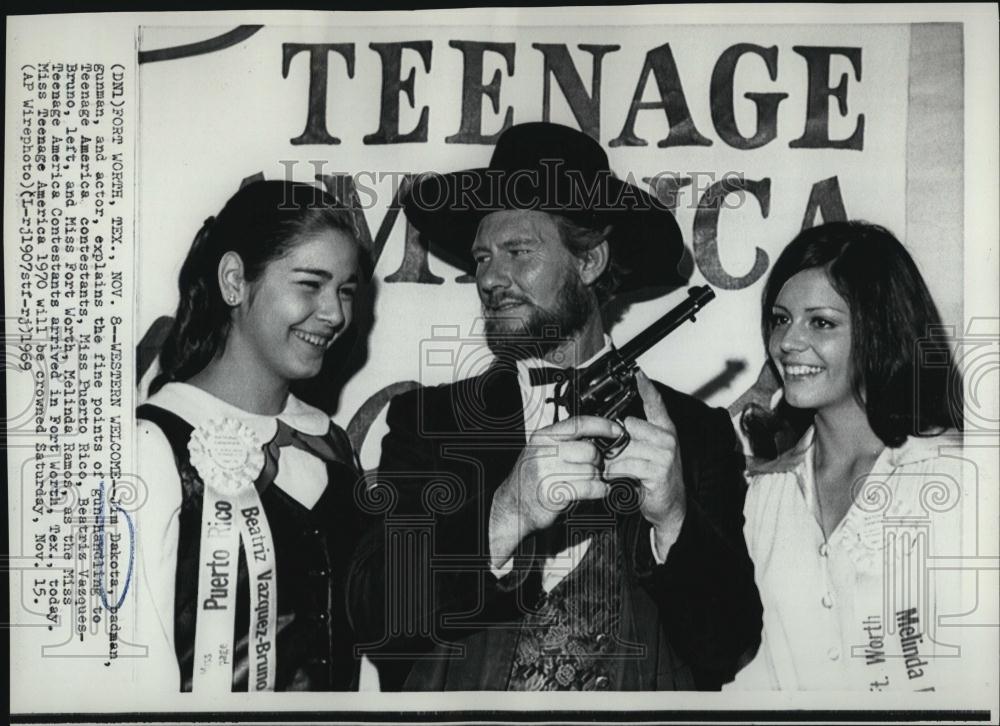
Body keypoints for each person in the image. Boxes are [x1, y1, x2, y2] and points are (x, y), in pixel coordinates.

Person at [349, 122, 762, 691]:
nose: (491, 278)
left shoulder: (695, 433)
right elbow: (374, 616)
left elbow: (728, 644)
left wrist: (673, 518)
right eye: (482, 258)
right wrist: (505, 514)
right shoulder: (429, 422)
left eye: (518, 252)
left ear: (589, 263)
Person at [136, 180, 368, 691]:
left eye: (346, 291)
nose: (335, 314)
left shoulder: (332, 444)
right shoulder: (151, 447)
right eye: (311, 284)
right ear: (235, 280)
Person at [732, 221, 970, 691]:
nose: (787, 342)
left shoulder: (956, 480)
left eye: (820, 322)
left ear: (880, 333)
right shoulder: (768, 491)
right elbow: (768, 671)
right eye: (781, 319)